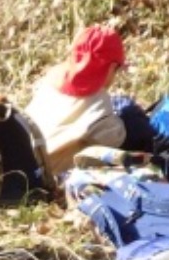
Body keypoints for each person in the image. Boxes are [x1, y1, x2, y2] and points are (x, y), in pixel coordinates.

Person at [23, 24, 129, 178]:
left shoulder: (51, 77)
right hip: (43, 175)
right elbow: (116, 140)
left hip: (20, 157)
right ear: (111, 67)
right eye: (117, 69)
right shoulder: (100, 107)